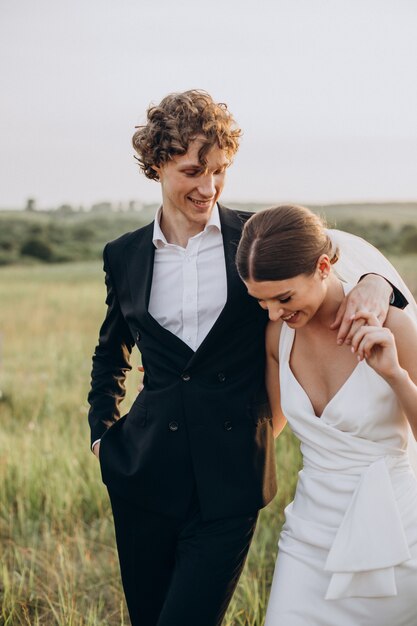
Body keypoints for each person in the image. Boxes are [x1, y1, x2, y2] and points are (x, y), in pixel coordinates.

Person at [87, 90, 406, 626]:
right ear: (157, 165)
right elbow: (110, 351)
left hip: (229, 481)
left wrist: (379, 282)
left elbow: (333, 253)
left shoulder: (254, 240)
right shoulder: (123, 254)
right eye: (192, 170)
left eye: (219, 170)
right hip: (141, 473)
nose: (207, 187)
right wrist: (101, 431)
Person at [236, 204, 417, 626]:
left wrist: (394, 375)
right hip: (310, 536)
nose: (275, 312)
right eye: (261, 302)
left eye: (284, 298)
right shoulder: (277, 335)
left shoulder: (395, 326)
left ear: (322, 266)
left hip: (396, 533)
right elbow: (269, 429)